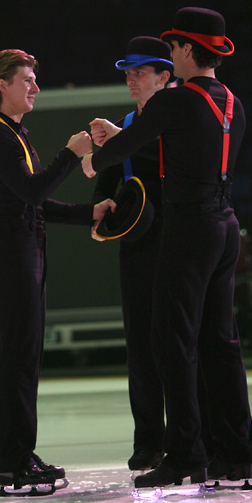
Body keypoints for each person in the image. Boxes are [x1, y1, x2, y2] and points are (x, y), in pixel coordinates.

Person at [83, 7, 252, 488]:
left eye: (174, 46)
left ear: (186, 49)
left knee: (172, 341)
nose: (171, 54)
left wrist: (93, 154)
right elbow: (177, 146)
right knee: (221, 342)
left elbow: (119, 153)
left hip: (189, 229)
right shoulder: (232, 103)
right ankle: (235, 454)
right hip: (225, 225)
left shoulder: (175, 100)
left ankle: (183, 455)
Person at [0, 49, 114, 493]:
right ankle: (13, 462)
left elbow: (35, 203)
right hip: (11, 251)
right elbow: (32, 192)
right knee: (19, 357)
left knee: (25, 357)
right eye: (26, 80)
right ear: (2, 85)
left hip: (24, 247)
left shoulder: (13, 133)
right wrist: (70, 155)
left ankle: (20, 455)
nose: (35, 86)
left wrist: (88, 213)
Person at [91, 37, 173, 472]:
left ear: (163, 77)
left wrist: (120, 139)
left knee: (179, 343)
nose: (131, 79)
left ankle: (191, 438)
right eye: (128, 73)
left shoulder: (178, 119)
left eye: (140, 72)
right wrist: (100, 212)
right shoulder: (123, 123)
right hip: (137, 246)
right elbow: (105, 183)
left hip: (177, 244)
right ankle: (148, 442)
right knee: (140, 346)